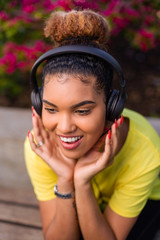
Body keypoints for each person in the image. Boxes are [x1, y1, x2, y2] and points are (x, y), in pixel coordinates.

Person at [24, 9, 160, 240]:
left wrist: (83, 183)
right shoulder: (41, 146)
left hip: (147, 204)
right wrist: (66, 180)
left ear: (111, 107)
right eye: (51, 109)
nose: (64, 127)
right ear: (38, 106)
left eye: (83, 110)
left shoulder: (146, 151)